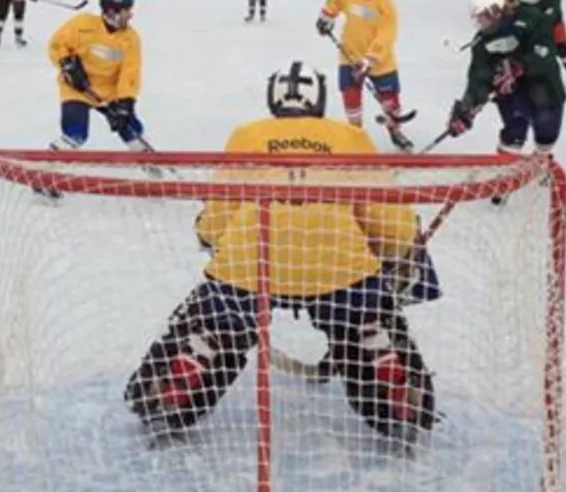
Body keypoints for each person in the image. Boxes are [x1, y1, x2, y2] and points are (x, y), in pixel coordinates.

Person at [123, 62, 439, 442]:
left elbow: (218, 215)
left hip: (249, 263)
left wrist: (207, 234)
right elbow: (386, 220)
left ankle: (191, 360)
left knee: (218, 317)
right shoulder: (350, 137)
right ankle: (379, 354)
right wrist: (405, 240)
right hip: (339, 267)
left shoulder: (247, 135)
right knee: (362, 312)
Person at [446, 0, 566, 154]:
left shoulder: (532, 18)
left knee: (547, 133)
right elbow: (479, 77)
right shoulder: (483, 42)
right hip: (512, 89)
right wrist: (467, 108)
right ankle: (504, 165)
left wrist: (520, 65)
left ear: (495, 10)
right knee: (514, 130)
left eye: (483, 16)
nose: (480, 22)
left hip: (544, 85)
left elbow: (545, 54)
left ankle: (542, 160)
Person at [316, 0, 411, 149]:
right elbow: (334, 0)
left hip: (381, 63)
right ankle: (356, 132)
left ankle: (396, 131)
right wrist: (326, 16)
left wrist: (369, 61)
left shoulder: (387, 7)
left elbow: (385, 37)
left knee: (391, 100)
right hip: (349, 58)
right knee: (351, 99)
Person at [46, 0, 147, 154]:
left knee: (131, 130)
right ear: (110, 12)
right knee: (76, 133)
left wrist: (125, 102)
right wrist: (68, 66)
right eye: (125, 11)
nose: (130, 15)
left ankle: (151, 164)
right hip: (76, 90)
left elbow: (130, 72)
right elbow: (57, 45)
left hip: (110, 92)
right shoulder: (83, 24)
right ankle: (50, 163)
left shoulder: (130, 38)